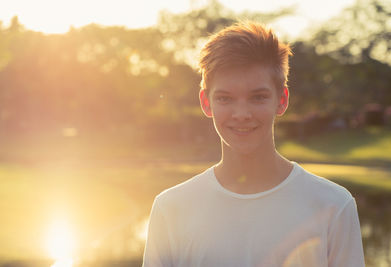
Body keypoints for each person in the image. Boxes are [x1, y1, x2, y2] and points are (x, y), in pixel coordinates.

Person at [142, 21, 365, 267]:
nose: (242, 113)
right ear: (206, 103)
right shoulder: (171, 209)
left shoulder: (333, 205)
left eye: (257, 97)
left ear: (281, 100)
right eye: (225, 98)